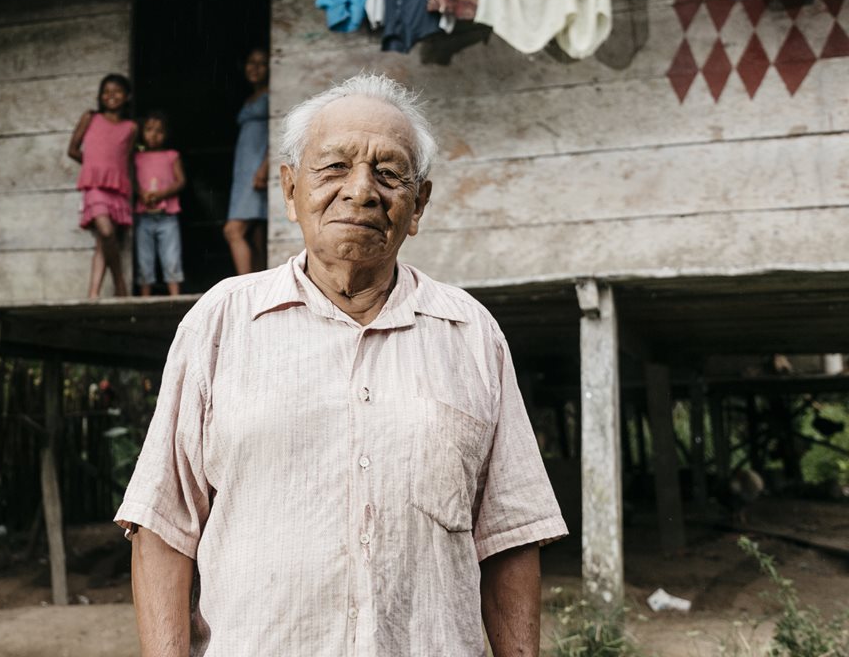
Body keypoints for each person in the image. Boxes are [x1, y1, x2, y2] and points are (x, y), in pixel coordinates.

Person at [116, 74, 567, 656]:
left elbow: (508, 537)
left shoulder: (470, 333)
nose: (361, 191)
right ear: (290, 189)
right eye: (333, 168)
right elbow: (162, 526)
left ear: (418, 203)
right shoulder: (221, 323)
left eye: (389, 173)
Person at [68, 74, 137, 298]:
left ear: (127, 97)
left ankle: (93, 293)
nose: (111, 96)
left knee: (102, 243)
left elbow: (125, 160)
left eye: (117, 91)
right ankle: (119, 282)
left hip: (116, 188)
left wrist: (116, 177)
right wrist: (93, 168)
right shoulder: (90, 118)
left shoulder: (131, 127)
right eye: (106, 91)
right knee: (106, 232)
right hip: (94, 185)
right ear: (100, 96)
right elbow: (73, 149)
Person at [223, 48, 269, 275]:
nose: (255, 68)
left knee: (233, 230)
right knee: (257, 235)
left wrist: (265, 167)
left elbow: (278, 133)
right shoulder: (251, 97)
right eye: (251, 62)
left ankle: (243, 286)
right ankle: (262, 286)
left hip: (256, 172)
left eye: (262, 63)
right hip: (243, 173)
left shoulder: (272, 95)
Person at [134, 112, 186, 297]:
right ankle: (145, 297)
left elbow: (181, 181)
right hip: (144, 216)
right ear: (142, 132)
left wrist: (161, 194)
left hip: (167, 216)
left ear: (166, 134)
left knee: (171, 256)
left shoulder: (172, 156)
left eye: (159, 131)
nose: (153, 135)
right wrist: (142, 194)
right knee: (144, 258)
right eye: (149, 130)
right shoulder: (137, 158)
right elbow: (132, 181)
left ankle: (175, 296)